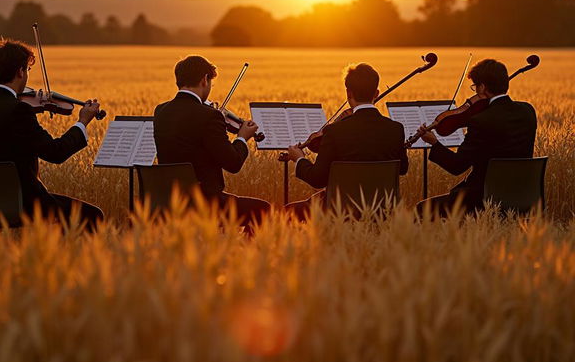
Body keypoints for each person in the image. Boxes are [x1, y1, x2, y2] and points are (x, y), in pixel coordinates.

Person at [0, 39, 104, 231]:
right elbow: (56, 153)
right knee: (93, 215)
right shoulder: (19, 111)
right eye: (28, 70)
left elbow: (4, 137)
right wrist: (82, 122)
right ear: (20, 72)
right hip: (25, 204)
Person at [153, 55, 270, 231]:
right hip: (206, 203)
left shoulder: (161, 111)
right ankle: (245, 256)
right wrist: (242, 138)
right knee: (264, 210)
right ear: (204, 79)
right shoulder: (209, 116)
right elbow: (233, 163)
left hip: (168, 200)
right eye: (211, 83)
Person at [284, 63, 409, 219]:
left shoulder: (335, 131)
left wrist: (299, 159)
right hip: (383, 210)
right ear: (376, 93)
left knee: (283, 214)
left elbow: (317, 179)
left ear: (348, 93)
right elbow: (402, 168)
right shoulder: (395, 129)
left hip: (339, 211)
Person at [417, 58, 537, 216]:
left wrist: (434, 142)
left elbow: (457, 166)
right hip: (521, 194)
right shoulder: (528, 111)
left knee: (422, 208)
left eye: (475, 86)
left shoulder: (480, 121)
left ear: (483, 87)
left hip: (482, 199)